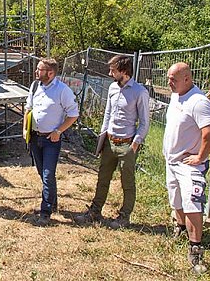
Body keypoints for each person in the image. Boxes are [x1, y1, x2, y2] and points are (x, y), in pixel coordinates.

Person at [75, 55, 149, 229]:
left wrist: (135, 144)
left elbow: (145, 122)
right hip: (110, 142)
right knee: (103, 178)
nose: (110, 73)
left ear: (124, 71)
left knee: (127, 182)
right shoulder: (112, 88)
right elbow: (107, 114)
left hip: (127, 144)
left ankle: (124, 217)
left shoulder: (139, 92)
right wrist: (102, 137)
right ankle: (95, 211)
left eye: (113, 70)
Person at [164, 62, 210, 274]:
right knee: (175, 198)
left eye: (173, 79)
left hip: (189, 165)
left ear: (187, 79)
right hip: (172, 161)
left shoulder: (199, 102)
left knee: (193, 204)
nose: (169, 82)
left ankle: (195, 248)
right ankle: (181, 227)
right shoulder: (176, 95)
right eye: (168, 78)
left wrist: (200, 157)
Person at [23, 58, 79, 225]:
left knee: (48, 174)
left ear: (51, 73)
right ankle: (52, 202)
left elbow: (73, 114)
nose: (36, 72)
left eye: (39, 70)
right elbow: (28, 108)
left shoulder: (63, 91)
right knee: (42, 172)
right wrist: (25, 129)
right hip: (34, 137)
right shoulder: (35, 86)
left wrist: (58, 131)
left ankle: (45, 212)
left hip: (51, 140)